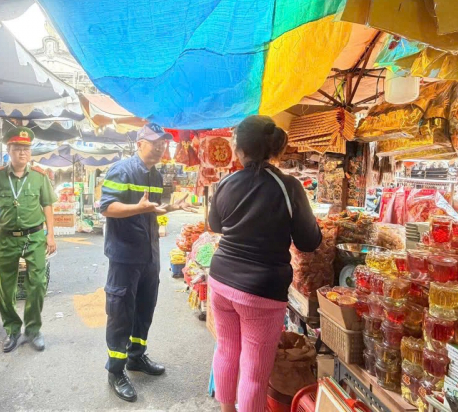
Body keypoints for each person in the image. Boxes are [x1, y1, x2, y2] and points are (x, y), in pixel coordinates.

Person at [208, 116, 323, 412]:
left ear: (240, 149)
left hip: (221, 280)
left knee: (227, 350)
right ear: (274, 149)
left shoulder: (226, 182)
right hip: (262, 290)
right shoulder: (288, 187)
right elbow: (308, 242)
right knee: (255, 371)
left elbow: (215, 225)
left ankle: (226, 410)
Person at [100, 123, 197, 402]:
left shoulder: (154, 175)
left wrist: (173, 207)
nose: (160, 146)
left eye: (163, 142)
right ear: (140, 142)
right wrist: (137, 208)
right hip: (124, 256)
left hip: (149, 255)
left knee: (144, 308)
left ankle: (136, 356)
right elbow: (107, 207)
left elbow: (152, 210)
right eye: (155, 141)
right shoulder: (122, 170)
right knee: (120, 312)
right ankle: (115, 370)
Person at [0, 127, 57, 353]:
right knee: (5, 287)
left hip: (35, 237)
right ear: (8, 150)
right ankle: (12, 329)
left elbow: (47, 205)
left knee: (37, 284)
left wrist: (51, 235)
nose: (23, 153)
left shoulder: (40, 176)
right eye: (17, 149)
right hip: (6, 238)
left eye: (26, 149)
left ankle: (33, 329)